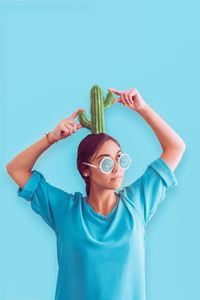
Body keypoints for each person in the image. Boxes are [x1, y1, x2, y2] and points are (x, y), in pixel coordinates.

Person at [6, 87, 186, 300]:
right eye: (107, 162)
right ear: (85, 169)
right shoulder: (65, 210)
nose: (118, 168)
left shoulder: (138, 201)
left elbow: (176, 147)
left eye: (120, 158)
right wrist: (51, 138)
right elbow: (16, 169)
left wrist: (142, 108)